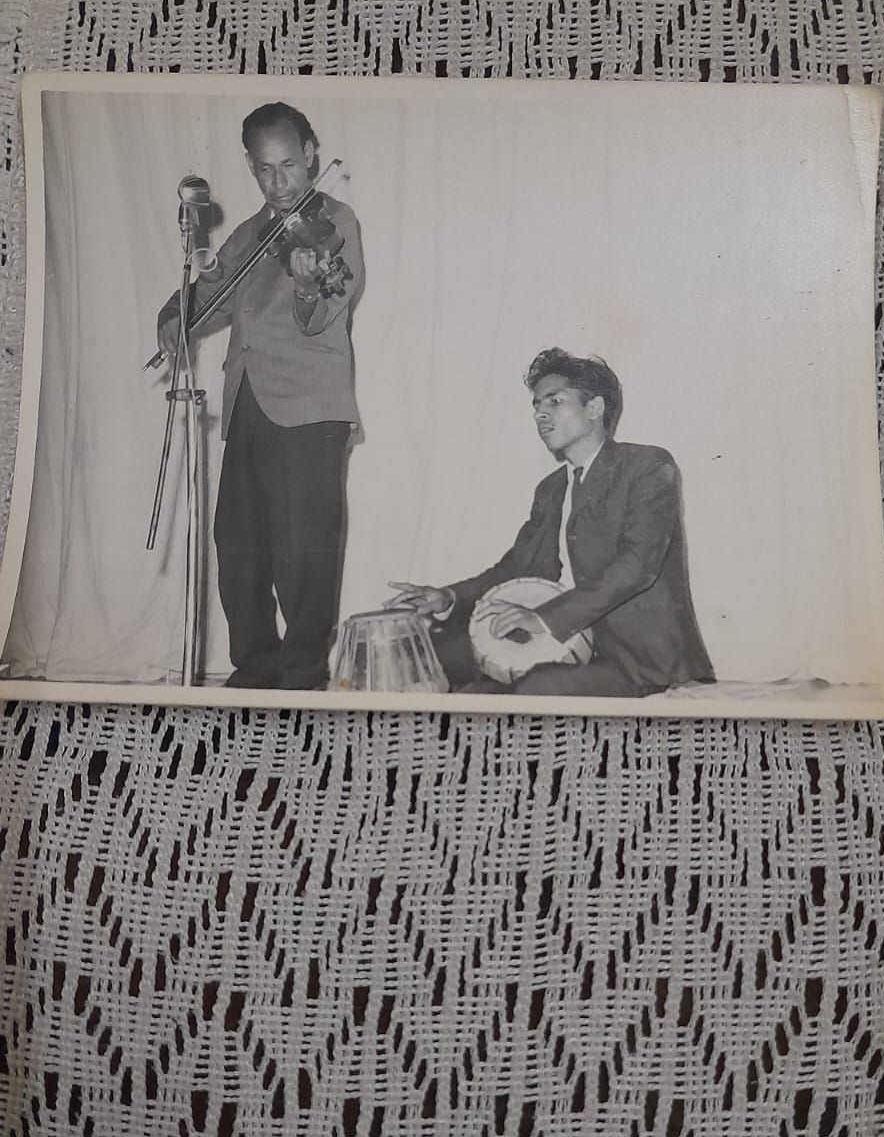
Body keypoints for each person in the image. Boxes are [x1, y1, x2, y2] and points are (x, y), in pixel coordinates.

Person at [157, 102, 365, 689]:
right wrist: (174, 313)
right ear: (251, 166)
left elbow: (324, 313)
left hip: (308, 409)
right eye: (266, 170)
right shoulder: (250, 232)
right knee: (238, 544)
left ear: (311, 156)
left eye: (290, 165)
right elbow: (211, 289)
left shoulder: (336, 222)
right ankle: (255, 667)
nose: (280, 183)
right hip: (248, 403)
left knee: (305, 552)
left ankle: (301, 676)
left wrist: (306, 287)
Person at [388, 348, 714, 698]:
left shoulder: (647, 465)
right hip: (562, 647)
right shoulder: (552, 488)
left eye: (554, 401)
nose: (540, 414)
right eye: (537, 406)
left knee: (534, 690)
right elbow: (516, 568)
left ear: (594, 408)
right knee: (430, 658)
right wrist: (448, 597)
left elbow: (637, 566)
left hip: (639, 662)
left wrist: (543, 619)